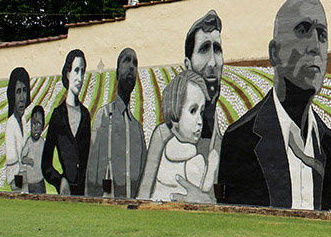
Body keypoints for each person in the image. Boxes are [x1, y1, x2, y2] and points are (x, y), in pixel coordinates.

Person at [218, 0, 331, 211]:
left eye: (322, 35)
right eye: (303, 30)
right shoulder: (241, 139)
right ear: (274, 52)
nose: (315, 45)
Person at [138, 11, 223, 201]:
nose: (212, 63)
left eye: (217, 49)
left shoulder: (221, 138)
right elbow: (144, 194)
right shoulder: (164, 134)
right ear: (187, 63)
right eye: (203, 49)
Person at [85, 48, 146, 199]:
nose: (132, 66)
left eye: (135, 63)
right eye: (127, 61)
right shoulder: (104, 117)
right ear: (118, 72)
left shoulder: (137, 129)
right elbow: (92, 175)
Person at [150, 70, 213, 202]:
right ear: (175, 113)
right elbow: (206, 187)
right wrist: (213, 162)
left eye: (201, 112)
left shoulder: (167, 146)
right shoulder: (193, 159)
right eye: (193, 111)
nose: (200, 121)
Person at [42, 49, 91, 196]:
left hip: (85, 191)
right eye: (76, 71)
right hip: (65, 191)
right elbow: (46, 164)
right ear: (68, 74)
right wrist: (59, 181)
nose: (80, 78)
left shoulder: (85, 115)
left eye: (83, 72)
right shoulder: (58, 115)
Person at [5, 67, 30, 191]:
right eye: (18, 91)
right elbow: (12, 159)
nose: (22, 97)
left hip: (26, 176)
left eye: (24, 91)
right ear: (12, 95)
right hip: (17, 179)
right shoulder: (11, 124)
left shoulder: (24, 121)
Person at [19, 106, 47, 194]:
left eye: (38, 124)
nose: (35, 127)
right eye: (33, 124)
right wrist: (28, 160)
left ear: (43, 127)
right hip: (31, 182)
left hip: (40, 181)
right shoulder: (29, 142)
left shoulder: (42, 143)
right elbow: (22, 157)